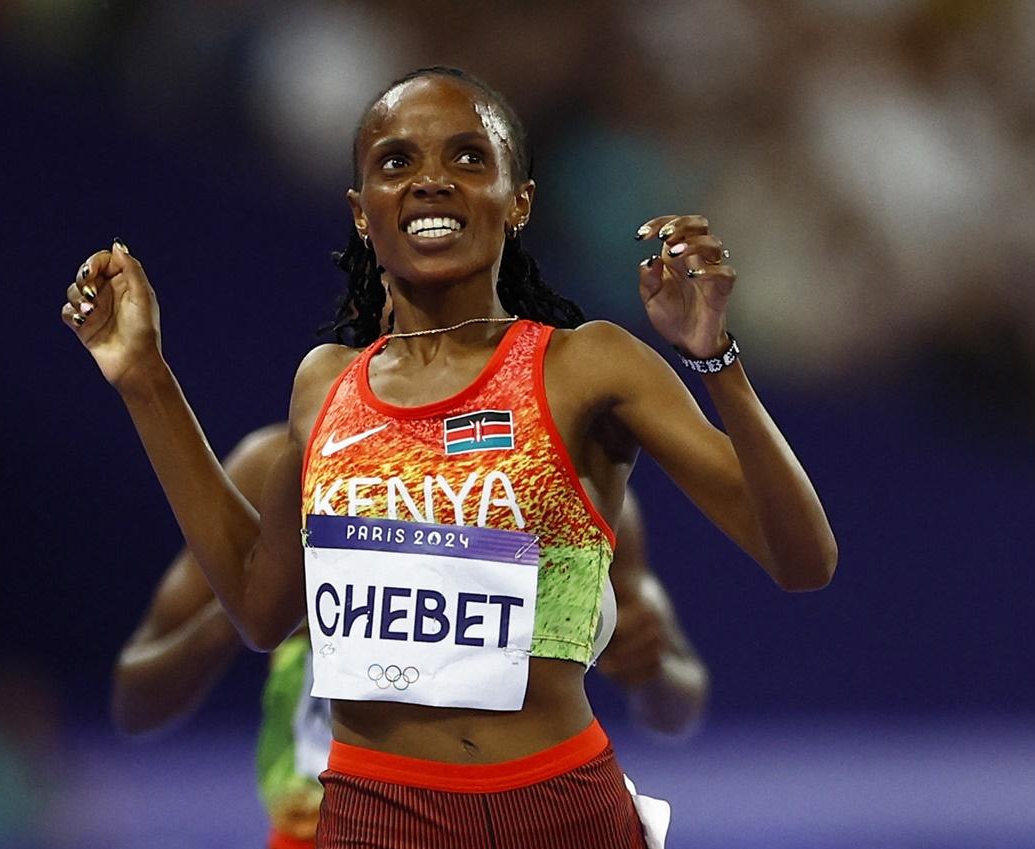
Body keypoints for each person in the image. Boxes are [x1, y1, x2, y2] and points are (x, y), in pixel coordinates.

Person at [61, 66, 836, 848]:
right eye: (397, 162)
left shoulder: (588, 366)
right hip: (375, 815)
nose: (432, 181)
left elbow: (803, 558)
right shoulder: (324, 384)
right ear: (362, 214)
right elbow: (264, 611)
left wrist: (719, 362)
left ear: (520, 200)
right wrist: (145, 379)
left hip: (560, 811)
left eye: (469, 157)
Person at [111, 424, 708, 849]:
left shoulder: (564, 484)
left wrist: (650, 666)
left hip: (512, 821)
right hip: (324, 829)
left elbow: (678, 707)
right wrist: (258, 601)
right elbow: (135, 703)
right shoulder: (278, 469)